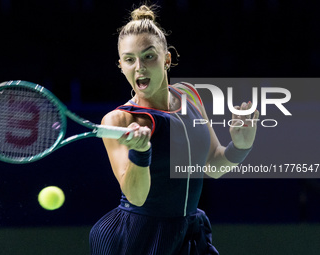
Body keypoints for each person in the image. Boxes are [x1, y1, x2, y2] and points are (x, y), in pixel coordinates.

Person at [90, 4, 259, 255]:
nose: (139, 67)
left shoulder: (189, 94)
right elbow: (136, 196)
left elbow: (213, 165)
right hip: (138, 238)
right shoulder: (118, 120)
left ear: (167, 59)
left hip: (188, 233)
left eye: (149, 56)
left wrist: (241, 146)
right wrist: (141, 152)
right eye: (129, 60)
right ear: (121, 66)